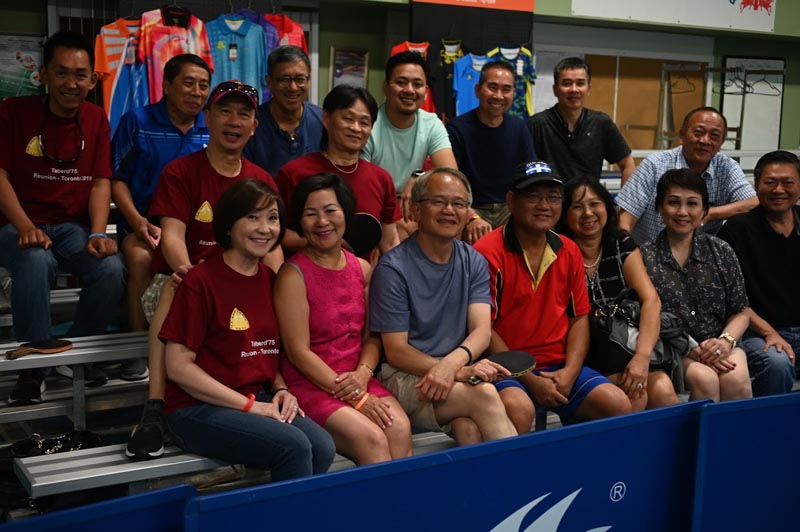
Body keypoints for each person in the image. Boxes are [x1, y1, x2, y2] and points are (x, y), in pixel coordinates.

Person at [126, 81, 280, 460]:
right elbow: (172, 235)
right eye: (224, 111)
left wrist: (282, 286)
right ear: (207, 118)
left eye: (244, 114)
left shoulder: (261, 179)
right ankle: (155, 406)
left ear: (254, 126)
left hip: (241, 281)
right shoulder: (180, 172)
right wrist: (190, 272)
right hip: (185, 276)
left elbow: (272, 246)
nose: (234, 121)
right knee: (176, 289)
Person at [162, 178, 335, 481]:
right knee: (293, 446)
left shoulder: (271, 279)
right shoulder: (200, 281)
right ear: (229, 225)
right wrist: (249, 407)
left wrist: (281, 390)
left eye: (273, 218)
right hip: (197, 408)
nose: (264, 228)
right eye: (252, 217)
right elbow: (178, 367)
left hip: (255, 398)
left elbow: (267, 353)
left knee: (323, 447)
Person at [0, 31, 125, 404]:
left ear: (92, 80)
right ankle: (32, 368)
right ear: (43, 75)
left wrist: (98, 233)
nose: (72, 83)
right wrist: (25, 227)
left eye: (80, 75)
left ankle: (73, 354)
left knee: (111, 268)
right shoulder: (13, 112)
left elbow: (101, 182)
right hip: (15, 224)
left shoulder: (96, 118)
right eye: (61, 73)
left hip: (71, 228)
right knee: (35, 259)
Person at [474, 161, 632, 434]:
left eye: (553, 197)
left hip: (557, 364)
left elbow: (579, 318)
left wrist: (570, 372)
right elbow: (483, 328)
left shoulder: (568, 249)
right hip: (503, 366)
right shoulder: (486, 251)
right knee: (519, 408)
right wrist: (532, 382)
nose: (544, 205)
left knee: (617, 404)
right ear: (511, 201)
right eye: (533, 196)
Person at [369, 168, 517, 445]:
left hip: (456, 370)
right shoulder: (393, 268)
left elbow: (482, 331)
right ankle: (525, 473)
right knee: (484, 395)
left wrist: (452, 365)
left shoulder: (473, 260)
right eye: (438, 201)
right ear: (416, 209)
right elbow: (397, 351)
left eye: (459, 203)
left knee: (468, 429)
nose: (449, 210)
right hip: (407, 375)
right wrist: (456, 370)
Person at [275, 174, 412, 465]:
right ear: (299, 222)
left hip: (357, 378)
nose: (322, 222)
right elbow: (298, 352)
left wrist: (363, 374)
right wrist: (354, 396)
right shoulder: (292, 275)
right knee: (372, 439)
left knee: (399, 428)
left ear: (346, 214)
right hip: (311, 383)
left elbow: (372, 337)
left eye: (330, 210)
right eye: (310, 214)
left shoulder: (362, 268)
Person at [111, 54, 211, 380]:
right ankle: (139, 347)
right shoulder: (137, 121)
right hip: (144, 227)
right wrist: (137, 221)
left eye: (204, 85)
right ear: (167, 85)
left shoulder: (211, 126)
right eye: (188, 83)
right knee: (140, 258)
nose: (197, 92)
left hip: (195, 231)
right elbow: (115, 179)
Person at [557, 178, 678, 410]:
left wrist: (642, 358)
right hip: (581, 352)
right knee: (634, 396)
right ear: (564, 214)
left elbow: (651, 300)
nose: (588, 213)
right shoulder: (559, 250)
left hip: (624, 347)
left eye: (595, 204)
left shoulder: (621, 244)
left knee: (663, 390)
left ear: (607, 207)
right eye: (577, 207)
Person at [640, 169, 752, 402]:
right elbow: (646, 317)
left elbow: (741, 311)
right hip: (673, 349)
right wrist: (692, 349)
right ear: (659, 208)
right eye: (673, 203)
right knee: (705, 379)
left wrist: (725, 342)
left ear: (704, 211)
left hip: (722, 342)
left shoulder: (722, 251)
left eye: (692, 203)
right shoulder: (644, 257)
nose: (682, 212)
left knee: (736, 378)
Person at [362, 52, 491, 243]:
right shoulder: (369, 125)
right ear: (386, 87)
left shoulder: (431, 123)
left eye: (417, 84)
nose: (409, 90)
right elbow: (363, 186)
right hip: (378, 206)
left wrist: (419, 176)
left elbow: (451, 175)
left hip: (414, 206)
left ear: (425, 91)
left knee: (455, 222)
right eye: (401, 82)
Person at [275, 85, 400, 255]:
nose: (356, 128)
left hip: (365, 271)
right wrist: (328, 240)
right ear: (326, 119)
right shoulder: (294, 173)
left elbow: (390, 241)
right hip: (307, 268)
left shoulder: (381, 178)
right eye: (348, 119)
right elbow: (277, 234)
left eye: (364, 122)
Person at [718, 150, 800, 396]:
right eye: (770, 182)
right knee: (777, 364)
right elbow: (733, 299)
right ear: (756, 186)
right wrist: (769, 332)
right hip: (754, 332)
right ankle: (765, 421)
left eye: (787, 182)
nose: (778, 190)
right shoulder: (736, 231)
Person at [617, 106, 758, 245]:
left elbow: (754, 203)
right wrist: (627, 249)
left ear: (721, 142)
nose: (705, 141)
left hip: (701, 256)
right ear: (682, 136)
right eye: (698, 133)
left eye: (714, 136)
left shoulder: (726, 167)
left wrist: (710, 213)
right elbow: (626, 218)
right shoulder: (654, 165)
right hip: (646, 251)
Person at [446, 61, 537, 229]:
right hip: (470, 207)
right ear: (477, 90)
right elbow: (451, 180)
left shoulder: (519, 127)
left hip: (509, 207)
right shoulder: (456, 129)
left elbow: (529, 173)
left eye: (506, 89)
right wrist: (471, 216)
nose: (498, 96)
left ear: (513, 94)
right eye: (492, 87)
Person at [527, 57, 634, 184]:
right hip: (551, 197)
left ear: (588, 88)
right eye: (566, 83)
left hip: (588, 196)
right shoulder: (537, 125)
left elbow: (628, 164)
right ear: (555, 90)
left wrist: (625, 197)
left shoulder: (601, 123)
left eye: (580, 83)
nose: (574, 89)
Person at [244, 46, 323, 177]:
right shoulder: (251, 124)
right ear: (269, 82)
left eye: (300, 79)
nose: (293, 87)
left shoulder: (323, 121)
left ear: (309, 81)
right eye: (284, 80)